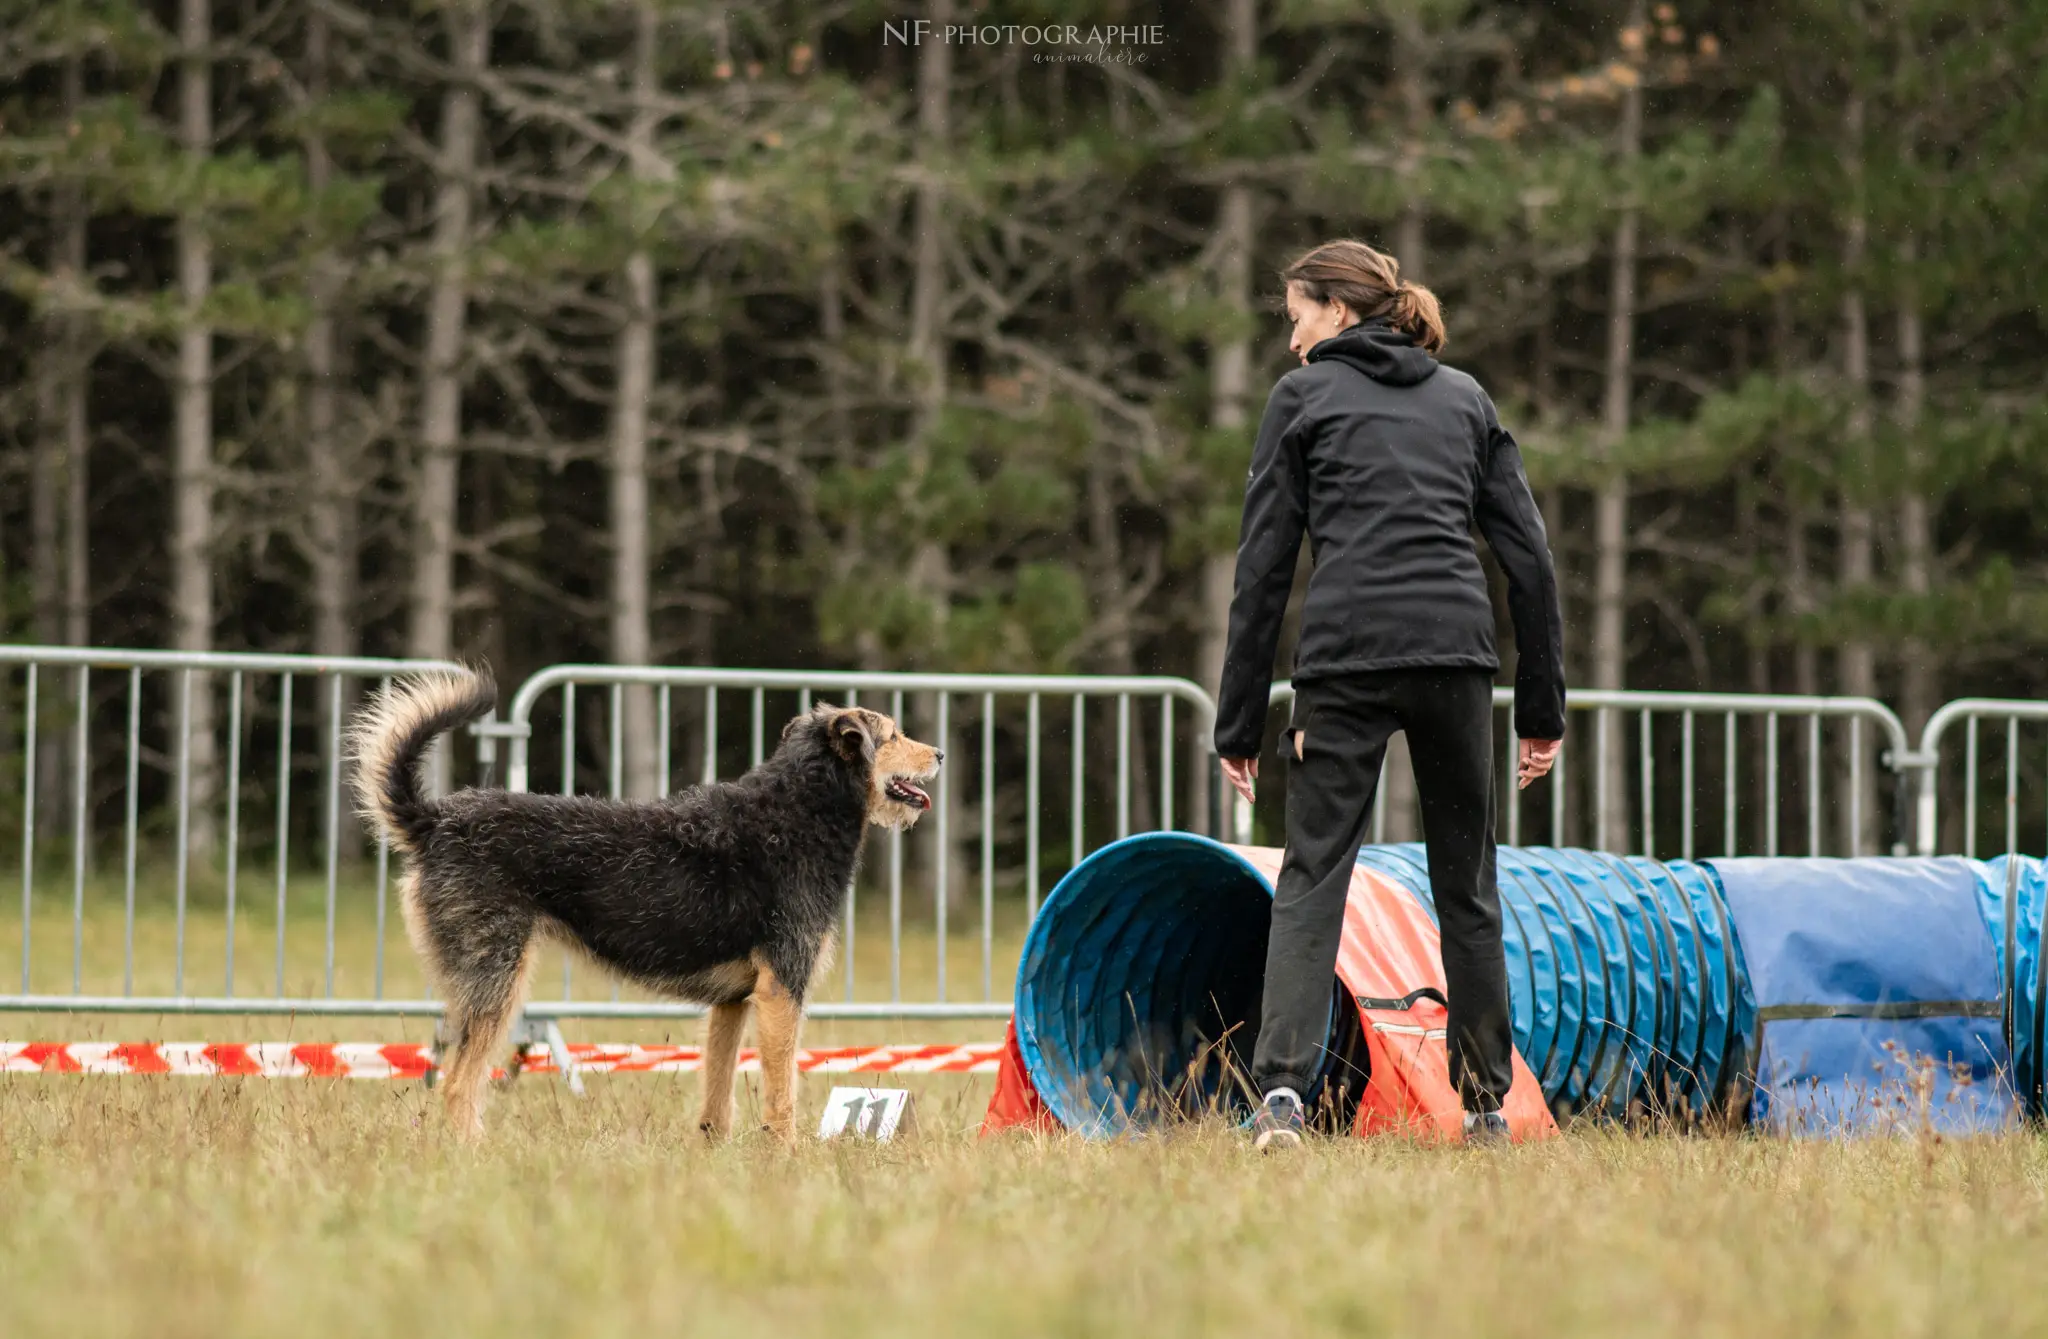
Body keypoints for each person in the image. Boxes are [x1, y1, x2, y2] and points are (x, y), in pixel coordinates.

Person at [1213, 240, 1566, 1150]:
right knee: (1468, 884)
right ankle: (1487, 1104)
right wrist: (1541, 711)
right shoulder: (1464, 399)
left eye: (1295, 316)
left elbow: (1262, 567)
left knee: (1313, 874)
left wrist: (1239, 721)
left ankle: (1282, 1096)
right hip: (1455, 657)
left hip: (1345, 661)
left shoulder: (1302, 399)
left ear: (1336, 310)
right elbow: (1529, 558)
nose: (1291, 341)